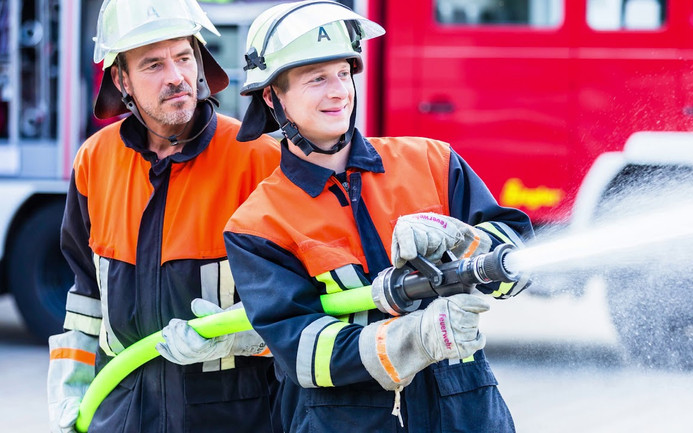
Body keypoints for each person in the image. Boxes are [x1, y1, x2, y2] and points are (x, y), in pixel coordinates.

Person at [223, 1, 534, 431]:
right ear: (272, 96)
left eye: (343, 73)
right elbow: (304, 352)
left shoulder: (432, 162)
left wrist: (463, 240)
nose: (339, 92)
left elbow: (519, 269)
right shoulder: (259, 224)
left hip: (467, 416)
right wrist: (416, 339)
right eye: (316, 78)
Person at [46, 1, 282, 432]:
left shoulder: (258, 160)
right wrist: (72, 386)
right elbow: (85, 296)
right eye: (153, 64)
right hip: (120, 415)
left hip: (234, 418)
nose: (176, 76)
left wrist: (238, 338)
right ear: (121, 80)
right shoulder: (95, 160)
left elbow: (299, 303)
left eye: (184, 57)